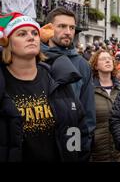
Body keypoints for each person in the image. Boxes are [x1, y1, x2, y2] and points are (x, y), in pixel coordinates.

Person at [0, 13, 89, 161]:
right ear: (8, 42)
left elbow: (76, 127)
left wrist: (75, 157)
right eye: (22, 34)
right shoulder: (3, 83)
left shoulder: (57, 79)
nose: (31, 37)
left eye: (35, 33)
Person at [40, 7, 96, 148]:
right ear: (49, 28)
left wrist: (80, 149)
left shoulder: (82, 64)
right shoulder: (35, 57)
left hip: (69, 142)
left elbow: (87, 111)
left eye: (72, 27)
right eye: (62, 26)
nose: (68, 32)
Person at [89, 50, 120, 162]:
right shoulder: (89, 90)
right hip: (97, 153)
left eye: (109, 58)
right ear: (96, 65)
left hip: (119, 154)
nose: (108, 60)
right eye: (103, 59)